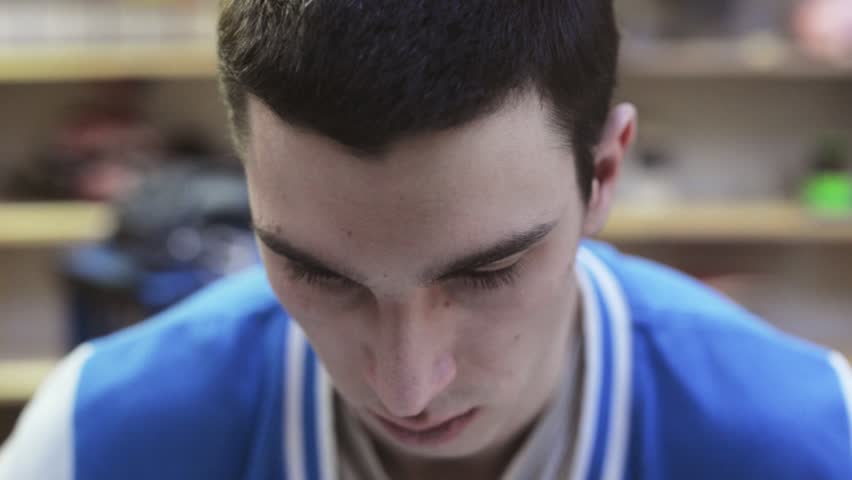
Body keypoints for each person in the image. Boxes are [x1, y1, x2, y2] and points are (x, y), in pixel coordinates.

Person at [2, 1, 851, 478]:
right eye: (316, 272)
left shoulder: (813, 446)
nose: (406, 387)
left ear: (604, 173)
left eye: (488, 273)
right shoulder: (91, 444)